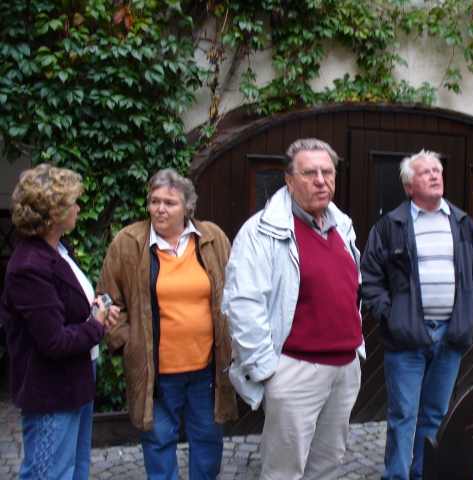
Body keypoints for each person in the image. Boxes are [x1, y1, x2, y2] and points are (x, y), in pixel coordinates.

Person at [222, 138, 365, 480]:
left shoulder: (341, 226)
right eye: (310, 173)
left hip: (345, 368)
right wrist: (267, 371)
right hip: (295, 370)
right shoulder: (261, 232)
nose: (321, 180)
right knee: (283, 472)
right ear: (289, 180)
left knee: (328, 465)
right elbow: (243, 303)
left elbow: (351, 290)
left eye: (327, 172)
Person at [96, 168, 237, 480]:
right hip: (155, 373)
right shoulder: (128, 242)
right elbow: (107, 298)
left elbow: (237, 291)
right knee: (158, 443)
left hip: (207, 370)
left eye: (169, 203)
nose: (160, 209)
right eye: (155, 201)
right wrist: (128, 343)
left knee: (208, 442)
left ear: (187, 207)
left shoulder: (212, 238)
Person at [361, 150, 473, 480]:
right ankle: (396, 476)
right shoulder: (390, 226)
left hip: (451, 335)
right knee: (403, 415)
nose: (434, 175)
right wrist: (392, 316)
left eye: (437, 170)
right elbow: (371, 278)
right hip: (405, 338)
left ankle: (423, 474)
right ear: (409, 186)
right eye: (425, 172)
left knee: (435, 413)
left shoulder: (462, 224)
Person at [0, 164, 118, 480]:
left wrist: (94, 310)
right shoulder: (29, 265)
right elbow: (54, 341)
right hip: (51, 390)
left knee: (74, 470)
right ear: (54, 213)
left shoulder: (58, 249)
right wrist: (97, 325)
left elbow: (63, 308)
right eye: (73, 203)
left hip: (76, 379)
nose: (78, 208)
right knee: (49, 474)